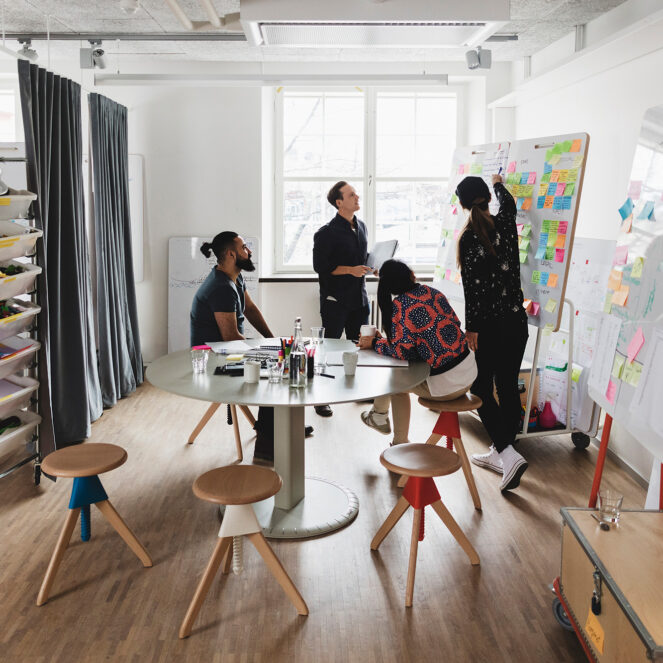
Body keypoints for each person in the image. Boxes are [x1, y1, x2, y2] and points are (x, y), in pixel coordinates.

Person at [190, 231, 312, 463]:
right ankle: (266, 447)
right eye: (245, 247)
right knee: (275, 372)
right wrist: (268, 352)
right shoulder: (221, 287)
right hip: (213, 361)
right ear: (231, 254)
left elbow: (251, 310)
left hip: (227, 352)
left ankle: (276, 429)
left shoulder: (234, 278)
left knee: (281, 360)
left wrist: (274, 341)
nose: (250, 251)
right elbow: (230, 338)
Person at [456, 174, 529, 493]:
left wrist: (471, 328)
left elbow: (473, 290)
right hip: (516, 322)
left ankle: (506, 453)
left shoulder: (468, 238)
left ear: (462, 205)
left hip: (489, 327)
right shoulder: (506, 225)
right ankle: (503, 451)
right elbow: (510, 204)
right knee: (508, 386)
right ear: (487, 197)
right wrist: (499, 184)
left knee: (480, 388)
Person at [359, 259, 477, 446]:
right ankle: (378, 416)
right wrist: (384, 342)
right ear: (412, 275)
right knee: (398, 370)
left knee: (394, 383)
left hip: (448, 386)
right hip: (470, 372)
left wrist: (374, 343)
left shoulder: (400, 306)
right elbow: (453, 325)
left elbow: (402, 352)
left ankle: (396, 438)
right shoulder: (433, 292)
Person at [312, 181, 372, 417]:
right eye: (351, 195)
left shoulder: (362, 226)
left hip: (359, 299)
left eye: (356, 194)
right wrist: (350, 270)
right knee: (328, 349)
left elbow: (361, 258)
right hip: (335, 301)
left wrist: (372, 266)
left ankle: (358, 391)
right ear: (339, 202)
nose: (357, 197)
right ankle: (321, 399)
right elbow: (321, 267)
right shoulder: (325, 233)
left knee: (359, 347)